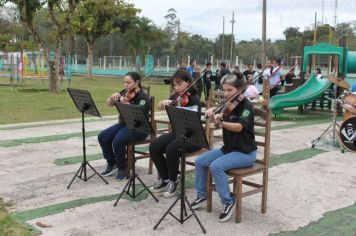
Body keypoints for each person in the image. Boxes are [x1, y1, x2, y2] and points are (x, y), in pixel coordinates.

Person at [191, 72, 257, 222]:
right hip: (229, 149)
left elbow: (239, 127)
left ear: (239, 89)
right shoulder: (228, 105)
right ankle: (202, 195)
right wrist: (211, 111)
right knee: (200, 161)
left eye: (229, 90)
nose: (226, 94)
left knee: (216, 166)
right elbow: (217, 113)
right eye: (224, 90)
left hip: (245, 152)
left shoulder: (246, 106)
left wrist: (222, 123)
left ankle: (228, 201)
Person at [149, 69, 202, 198]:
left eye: (179, 84)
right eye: (174, 85)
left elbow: (193, 124)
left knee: (171, 148)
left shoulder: (194, 100)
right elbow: (160, 106)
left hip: (192, 137)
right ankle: (165, 179)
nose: (176, 88)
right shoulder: (175, 97)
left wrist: (179, 108)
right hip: (177, 133)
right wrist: (163, 103)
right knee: (154, 146)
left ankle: (174, 180)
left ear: (188, 82)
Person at [98, 72, 150, 181]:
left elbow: (139, 114)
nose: (125, 85)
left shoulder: (143, 97)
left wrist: (128, 105)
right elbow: (109, 103)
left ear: (137, 82)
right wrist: (112, 98)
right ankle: (112, 163)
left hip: (139, 128)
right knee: (102, 136)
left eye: (128, 82)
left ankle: (122, 167)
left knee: (118, 140)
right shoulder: (125, 92)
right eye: (124, 82)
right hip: (124, 124)